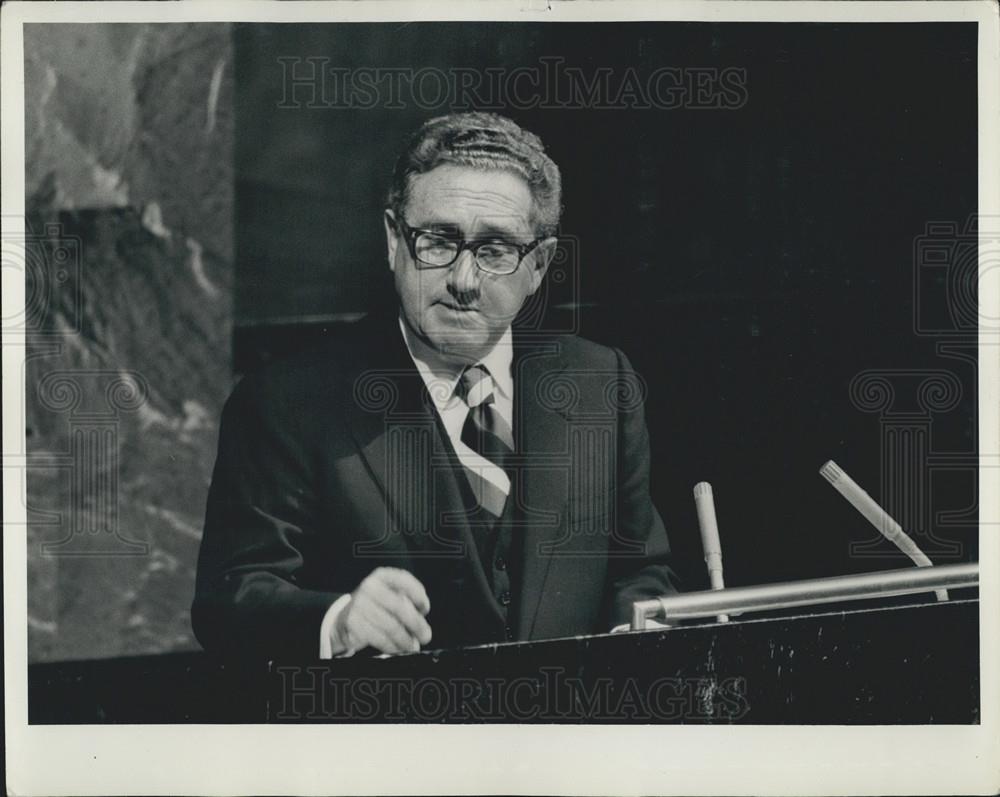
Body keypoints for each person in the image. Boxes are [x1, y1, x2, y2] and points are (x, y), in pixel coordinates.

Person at [192, 111, 678, 659]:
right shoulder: (289, 402)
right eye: (438, 241)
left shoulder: (599, 385)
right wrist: (339, 620)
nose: (463, 281)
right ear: (394, 240)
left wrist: (635, 651)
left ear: (539, 264)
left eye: (495, 250)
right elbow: (229, 600)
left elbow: (639, 574)